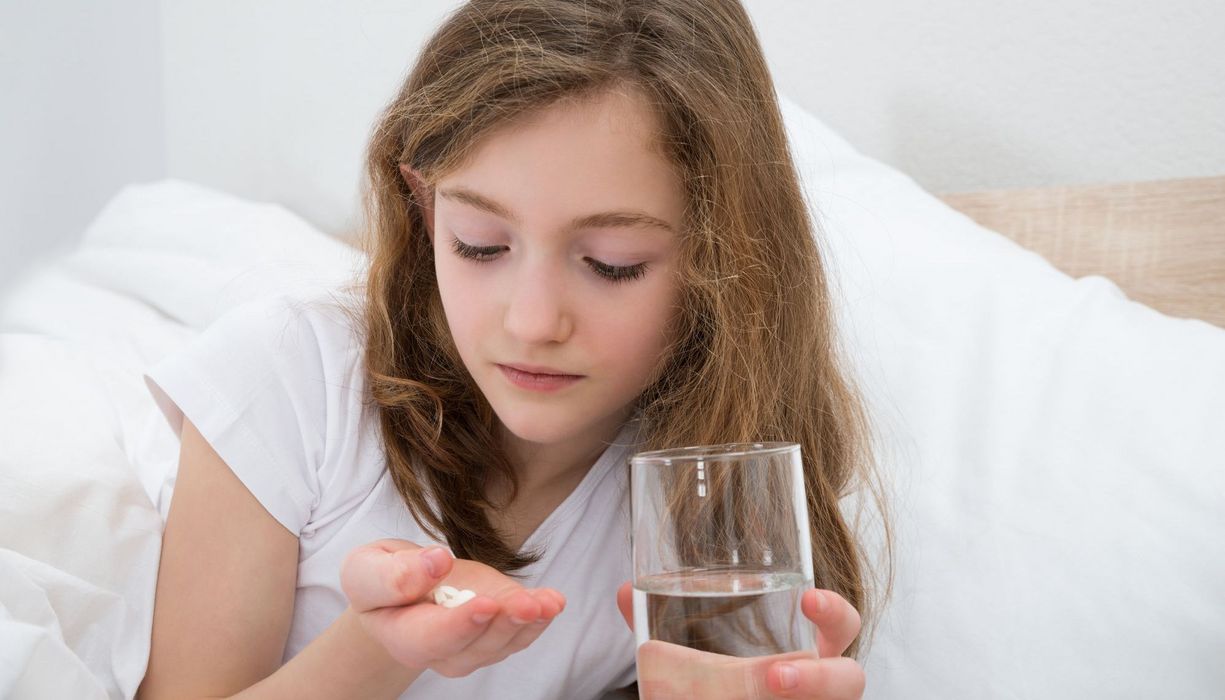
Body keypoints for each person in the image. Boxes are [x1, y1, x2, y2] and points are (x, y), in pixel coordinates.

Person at [136, 0, 892, 697]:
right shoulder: (293, 380)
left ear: (725, 260)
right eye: (481, 244)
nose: (533, 322)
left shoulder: (721, 500)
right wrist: (382, 646)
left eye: (612, 262)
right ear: (423, 207)